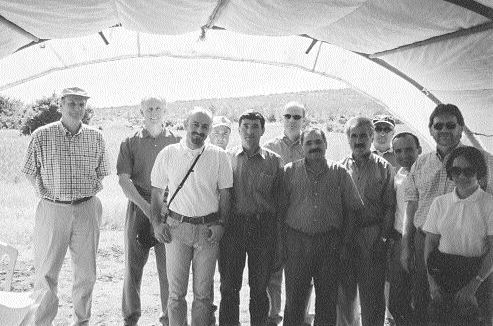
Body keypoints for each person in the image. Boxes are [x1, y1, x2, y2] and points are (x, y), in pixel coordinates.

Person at [22, 87, 110, 325]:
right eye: (72, 103)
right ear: (60, 105)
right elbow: (30, 172)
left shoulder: (96, 136)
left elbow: (102, 173)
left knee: (86, 273)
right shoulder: (42, 135)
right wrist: (48, 195)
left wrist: (82, 196)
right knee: (46, 272)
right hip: (53, 210)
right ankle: (42, 322)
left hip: (87, 208)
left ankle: (81, 321)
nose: (77, 109)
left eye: (82, 104)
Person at [401, 103, 493, 325]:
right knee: (428, 303)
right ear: (430, 129)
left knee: (470, 309)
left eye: (450, 125)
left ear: (461, 128)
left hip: (470, 249)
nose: (444, 130)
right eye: (438, 125)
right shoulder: (421, 163)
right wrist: (406, 245)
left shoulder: (484, 160)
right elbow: (411, 205)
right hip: (427, 243)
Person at [150, 107, 232, 326]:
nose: (199, 130)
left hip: (208, 231)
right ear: (185, 124)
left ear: (209, 130)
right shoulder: (168, 154)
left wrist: (221, 224)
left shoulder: (219, 156)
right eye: (195, 124)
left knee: (203, 295)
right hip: (177, 229)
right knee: (176, 294)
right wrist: (157, 224)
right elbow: (157, 193)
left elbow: (225, 194)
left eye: (205, 126)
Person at [282, 127, 363, 326]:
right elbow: (280, 211)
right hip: (297, 244)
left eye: (318, 142)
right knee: (295, 301)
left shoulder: (340, 172)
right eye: (309, 143)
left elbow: (353, 210)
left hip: (329, 245)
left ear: (326, 145)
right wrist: (283, 245)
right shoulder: (289, 171)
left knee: (327, 302)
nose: (314, 147)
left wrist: (344, 244)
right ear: (302, 147)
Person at [117, 97, 180, 326]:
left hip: (168, 207)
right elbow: (124, 181)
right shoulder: (130, 142)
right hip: (139, 205)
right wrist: (147, 210)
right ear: (141, 111)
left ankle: (168, 316)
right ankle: (131, 316)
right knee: (133, 265)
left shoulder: (176, 141)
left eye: (158, 108)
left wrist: (163, 209)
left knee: (168, 267)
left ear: (165, 110)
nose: (153, 112)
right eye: (149, 108)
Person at [219, 110, 282, 326]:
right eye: (245, 126)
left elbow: (279, 202)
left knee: (259, 288)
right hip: (233, 227)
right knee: (229, 287)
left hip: (262, 228)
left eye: (255, 126)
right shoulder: (227, 158)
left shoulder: (274, 161)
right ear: (238, 129)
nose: (250, 131)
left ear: (263, 130)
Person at [423, 146, 493, 324]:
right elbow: (430, 243)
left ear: (479, 173)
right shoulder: (440, 203)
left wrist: (473, 286)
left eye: (469, 171)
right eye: (456, 170)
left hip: (478, 275)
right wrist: (432, 282)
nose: (461, 176)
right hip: (443, 276)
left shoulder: (489, 205)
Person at [338, 116, 396, 326]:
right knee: (344, 297)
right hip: (346, 237)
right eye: (354, 135)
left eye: (364, 135)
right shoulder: (340, 168)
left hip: (372, 236)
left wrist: (382, 240)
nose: (359, 140)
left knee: (372, 298)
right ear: (348, 139)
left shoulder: (384, 168)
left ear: (372, 137)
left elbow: (390, 206)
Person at [263, 101, 306, 326]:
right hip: (276, 217)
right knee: (274, 270)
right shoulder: (270, 147)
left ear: (304, 120)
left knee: (301, 272)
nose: (291, 121)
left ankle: (298, 317)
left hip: (301, 217)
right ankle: (273, 317)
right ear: (282, 119)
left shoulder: (309, 145)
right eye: (287, 116)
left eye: (296, 117)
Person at [388, 132, 421, 325]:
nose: (403, 155)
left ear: (419, 150)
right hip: (400, 239)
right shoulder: (397, 175)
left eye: (408, 149)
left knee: (419, 296)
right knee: (396, 299)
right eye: (398, 150)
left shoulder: (425, 173)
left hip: (420, 240)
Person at [208, 114, 232, 326]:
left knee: (227, 275)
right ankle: (209, 316)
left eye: (225, 133)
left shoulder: (233, 157)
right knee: (205, 277)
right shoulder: (203, 156)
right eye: (216, 132)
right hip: (205, 223)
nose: (221, 136)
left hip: (229, 225)